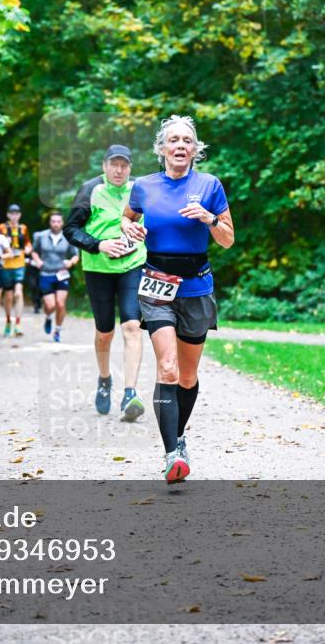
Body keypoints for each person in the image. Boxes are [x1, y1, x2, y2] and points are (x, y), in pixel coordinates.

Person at [121, 115, 234, 484]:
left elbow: (228, 239)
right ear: (162, 148)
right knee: (166, 367)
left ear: (196, 149)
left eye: (188, 140)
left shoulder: (210, 185)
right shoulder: (144, 187)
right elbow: (128, 219)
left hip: (196, 286)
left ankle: (179, 436)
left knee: (187, 376)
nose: (181, 146)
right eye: (174, 140)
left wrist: (208, 219)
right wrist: (130, 228)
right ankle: (172, 454)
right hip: (156, 284)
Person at [64, 144, 147, 421]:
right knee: (105, 331)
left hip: (133, 265)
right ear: (104, 166)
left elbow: (156, 224)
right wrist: (99, 245)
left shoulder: (140, 191)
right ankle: (104, 379)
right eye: (114, 164)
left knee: (133, 326)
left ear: (130, 168)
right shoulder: (89, 190)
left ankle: (130, 393)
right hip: (98, 268)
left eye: (124, 165)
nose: (119, 170)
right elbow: (70, 229)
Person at [31, 211, 80, 342]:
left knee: (60, 304)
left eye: (58, 221)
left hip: (62, 274)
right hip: (46, 273)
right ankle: (48, 317)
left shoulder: (67, 237)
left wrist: (71, 262)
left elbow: (76, 255)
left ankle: (57, 330)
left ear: (62, 223)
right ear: (50, 223)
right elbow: (34, 252)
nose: (56, 224)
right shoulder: (41, 236)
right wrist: (37, 261)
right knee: (51, 306)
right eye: (53, 221)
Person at [0, 204, 32, 337]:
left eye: (16, 213)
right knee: (9, 296)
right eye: (12, 213)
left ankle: (18, 323)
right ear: (8, 215)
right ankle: (7, 320)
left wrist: (28, 248)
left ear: (20, 215)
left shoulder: (23, 228)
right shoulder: (2, 228)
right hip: (6, 265)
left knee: (18, 293)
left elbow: (28, 242)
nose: (14, 216)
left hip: (19, 263)